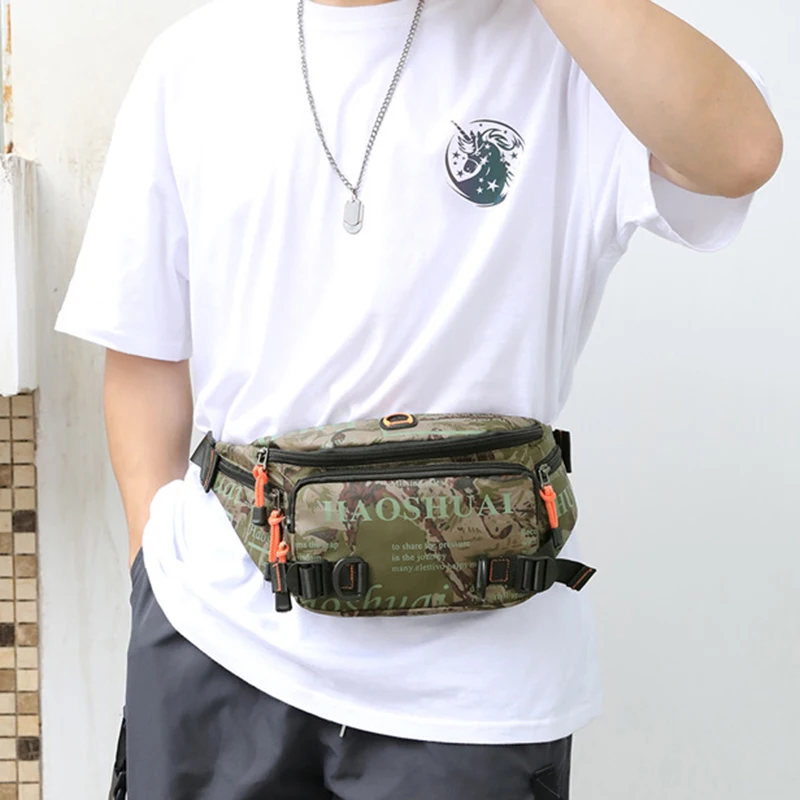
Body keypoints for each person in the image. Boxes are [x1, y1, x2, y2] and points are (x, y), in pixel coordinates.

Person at [55, 0, 782, 798]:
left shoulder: (570, 58)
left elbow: (740, 152)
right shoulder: (192, 61)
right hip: (215, 639)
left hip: (476, 691)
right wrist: (153, 576)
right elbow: (145, 350)